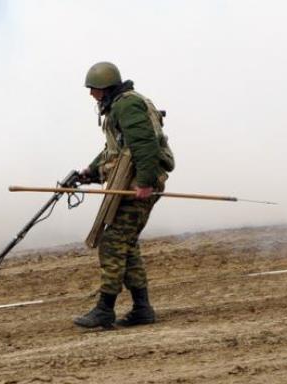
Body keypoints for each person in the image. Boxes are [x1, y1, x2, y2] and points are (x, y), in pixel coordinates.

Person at [74, 62, 175, 328]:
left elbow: (144, 144)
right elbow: (116, 150)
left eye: (94, 90)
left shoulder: (126, 106)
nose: (92, 95)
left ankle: (105, 309)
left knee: (113, 242)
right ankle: (142, 309)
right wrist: (91, 171)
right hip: (128, 183)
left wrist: (145, 182)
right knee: (126, 245)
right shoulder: (121, 105)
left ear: (106, 88)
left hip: (136, 188)